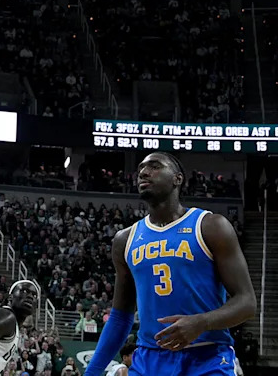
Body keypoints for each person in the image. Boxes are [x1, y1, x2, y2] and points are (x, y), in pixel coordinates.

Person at [84, 152, 256, 376]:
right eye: (141, 170)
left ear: (178, 178)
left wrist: (202, 322)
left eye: (154, 166)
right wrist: (91, 373)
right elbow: (120, 317)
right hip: (148, 360)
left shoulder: (211, 226)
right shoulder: (125, 240)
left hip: (207, 356)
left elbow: (247, 302)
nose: (144, 173)